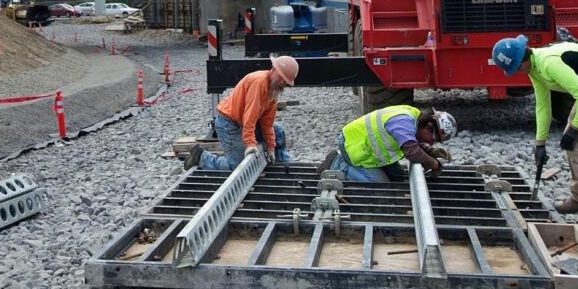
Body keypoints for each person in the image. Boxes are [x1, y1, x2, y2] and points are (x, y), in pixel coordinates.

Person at [492, 34, 578, 240]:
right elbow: (543, 106)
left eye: (517, 67)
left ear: (523, 59)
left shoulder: (548, 64)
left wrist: (574, 129)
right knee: (571, 146)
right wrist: (540, 143)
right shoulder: (535, 68)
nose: (517, 72)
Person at [185, 56, 298, 171]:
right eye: (281, 77)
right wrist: (250, 144)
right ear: (273, 70)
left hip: (242, 122)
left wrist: (270, 147)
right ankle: (201, 157)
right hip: (228, 124)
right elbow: (250, 117)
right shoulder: (259, 83)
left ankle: (280, 165)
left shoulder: (273, 89)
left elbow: (267, 122)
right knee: (239, 167)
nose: (282, 82)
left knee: (277, 131)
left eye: (286, 81)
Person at [327, 105, 456, 182]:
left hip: (370, 151)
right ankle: (337, 164)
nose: (431, 142)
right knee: (378, 184)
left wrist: (429, 151)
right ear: (428, 125)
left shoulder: (415, 119)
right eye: (434, 138)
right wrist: (434, 164)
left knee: (400, 179)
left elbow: (410, 142)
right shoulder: (404, 121)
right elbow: (412, 152)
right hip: (352, 146)